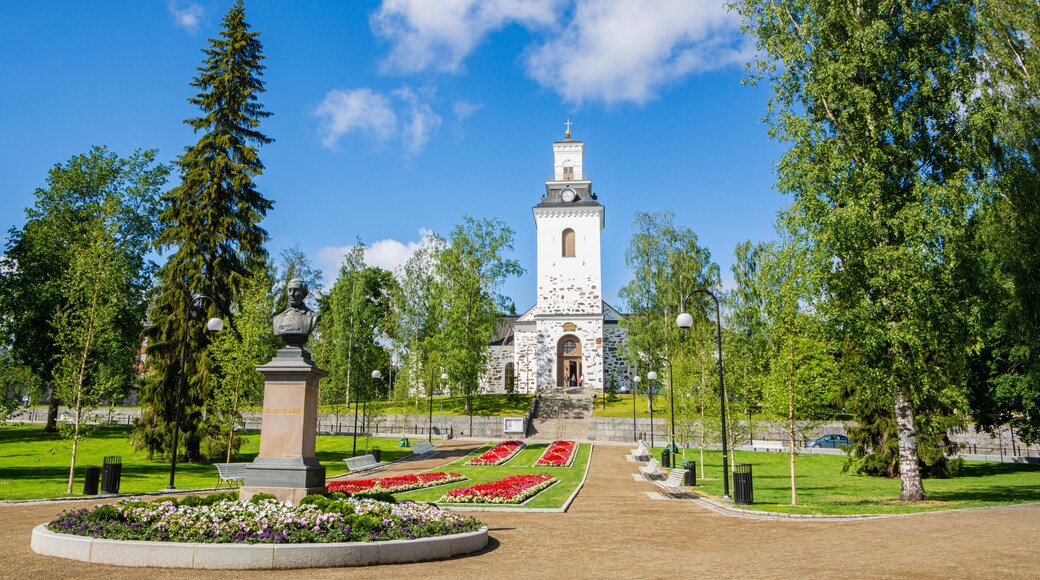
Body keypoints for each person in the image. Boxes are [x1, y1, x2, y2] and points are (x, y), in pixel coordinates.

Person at [273, 278, 319, 347]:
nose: (292, 294)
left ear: (304, 294)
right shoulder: (278, 318)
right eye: (289, 290)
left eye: (296, 290)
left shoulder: (312, 317)